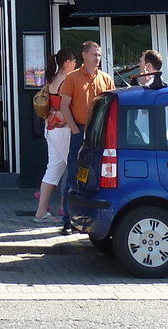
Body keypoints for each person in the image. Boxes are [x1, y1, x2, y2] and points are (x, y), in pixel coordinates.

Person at [56, 41, 116, 232]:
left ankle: (94, 219)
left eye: (99, 55)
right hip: (80, 130)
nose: (97, 58)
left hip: (100, 134)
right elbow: (64, 105)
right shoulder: (72, 78)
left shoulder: (105, 78)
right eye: (94, 54)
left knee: (98, 175)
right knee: (73, 174)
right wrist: (74, 129)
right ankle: (68, 220)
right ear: (84, 55)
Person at [33, 48, 77, 223]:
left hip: (50, 128)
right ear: (67, 62)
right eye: (74, 61)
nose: (76, 64)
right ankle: (69, 210)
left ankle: (41, 212)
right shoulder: (67, 79)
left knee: (53, 170)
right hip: (63, 128)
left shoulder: (53, 78)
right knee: (73, 168)